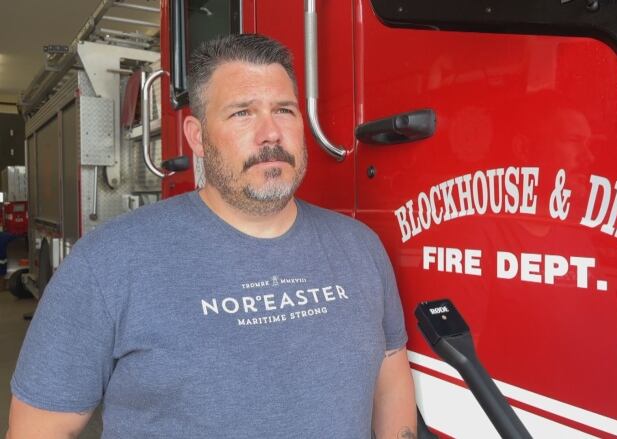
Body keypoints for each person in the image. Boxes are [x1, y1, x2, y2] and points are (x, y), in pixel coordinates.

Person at [7, 34, 416, 439]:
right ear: (197, 137)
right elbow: (39, 429)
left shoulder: (360, 247)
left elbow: (391, 375)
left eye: (284, 110)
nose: (271, 132)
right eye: (242, 113)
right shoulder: (107, 263)